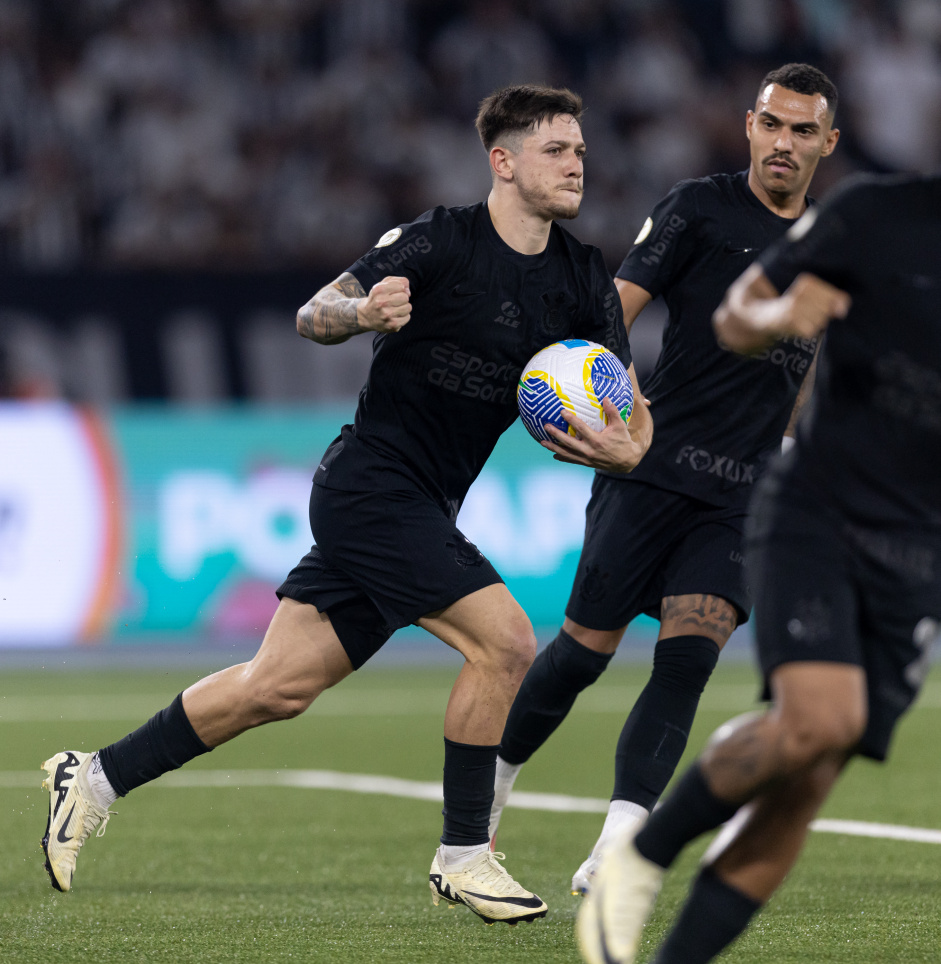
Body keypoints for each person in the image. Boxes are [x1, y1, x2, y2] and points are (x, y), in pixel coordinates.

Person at [38, 84, 653, 926]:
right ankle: (464, 857)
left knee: (274, 688)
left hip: (425, 505)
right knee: (506, 642)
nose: (577, 163)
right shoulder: (440, 240)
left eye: (580, 149)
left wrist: (627, 446)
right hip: (368, 485)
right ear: (502, 162)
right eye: (556, 149)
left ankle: (95, 774)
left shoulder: (584, 278)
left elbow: (628, 410)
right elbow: (311, 312)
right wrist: (362, 311)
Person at [488, 63, 840, 894]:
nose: (782, 143)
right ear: (748, 125)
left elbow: (811, 368)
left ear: (827, 144)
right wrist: (608, 410)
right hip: (649, 466)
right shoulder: (698, 208)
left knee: (687, 659)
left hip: (743, 492)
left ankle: (616, 847)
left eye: (801, 131)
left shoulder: (833, 244)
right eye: (770, 124)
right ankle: (487, 793)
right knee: (580, 656)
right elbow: (613, 312)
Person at [576, 168, 941, 964]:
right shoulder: (872, 213)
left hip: (919, 548)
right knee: (821, 720)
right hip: (817, 509)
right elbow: (736, 316)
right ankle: (644, 849)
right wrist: (780, 314)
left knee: (801, 787)